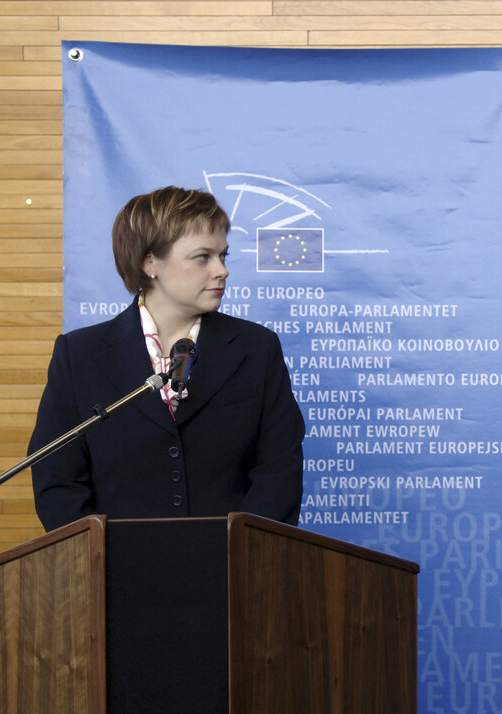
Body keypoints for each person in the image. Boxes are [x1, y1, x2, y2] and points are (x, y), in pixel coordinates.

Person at [28, 186, 305, 531]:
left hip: (233, 567)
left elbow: (280, 470)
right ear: (150, 263)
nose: (222, 270)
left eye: (223, 256)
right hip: (116, 571)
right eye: (203, 257)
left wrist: (241, 548)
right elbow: (57, 480)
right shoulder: (80, 354)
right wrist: (102, 557)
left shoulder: (256, 348)